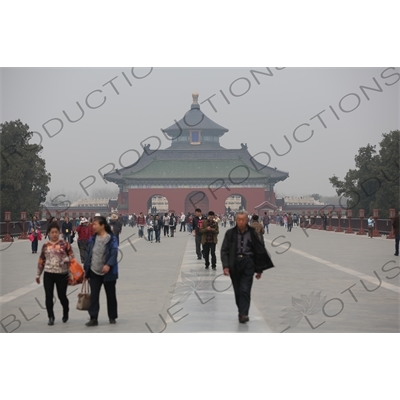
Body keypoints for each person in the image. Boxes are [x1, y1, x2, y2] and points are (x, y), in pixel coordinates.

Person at [220, 211, 274, 323]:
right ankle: (241, 309)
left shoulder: (253, 233)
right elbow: (224, 250)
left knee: (245, 289)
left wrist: (259, 269)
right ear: (235, 220)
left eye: (243, 220)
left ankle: (243, 314)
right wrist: (226, 266)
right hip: (234, 263)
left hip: (248, 262)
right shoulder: (230, 233)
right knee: (238, 290)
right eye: (238, 220)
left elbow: (259, 250)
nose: (241, 222)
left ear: (247, 220)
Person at [36, 222, 75, 325]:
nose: (54, 234)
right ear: (49, 233)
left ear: (59, 232)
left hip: (62, 274)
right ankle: (51, 316)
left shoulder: (65, 244)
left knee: (62, 295)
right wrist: (38, 274)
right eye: (52, 232)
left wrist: (66, 259)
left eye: (56, 232)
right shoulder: (45, 246)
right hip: (48, 274)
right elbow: (41, 260)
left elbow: (72, 257)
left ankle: (65, 311)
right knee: (48, 296)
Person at [83, 216, 118, 326]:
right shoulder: (92, 239)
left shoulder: (111, 238)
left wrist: (108, 265)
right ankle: (93, 317)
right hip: (94, 271)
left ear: (102, 225)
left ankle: (112, 316)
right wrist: (86, 269)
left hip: (108, 272)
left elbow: (114, 253)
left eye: (95, 224)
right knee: (94, 295)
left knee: (110, 295)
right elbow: (89, 254)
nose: (93, 226)